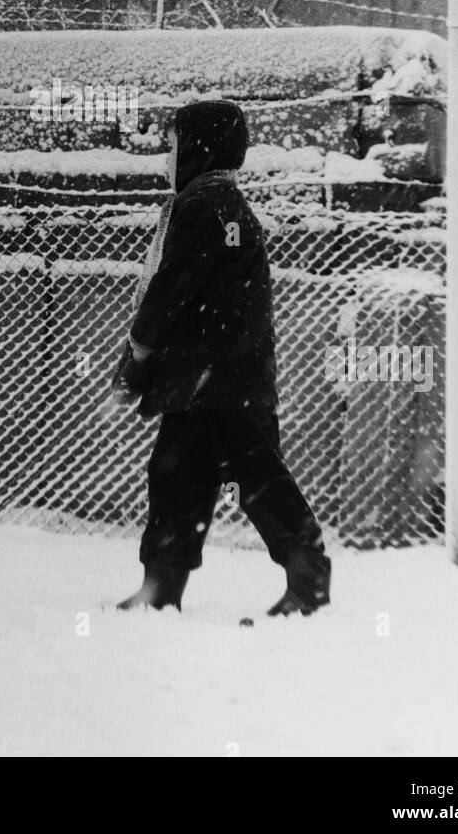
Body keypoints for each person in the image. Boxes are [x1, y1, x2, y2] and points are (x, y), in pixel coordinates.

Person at [111, 99, 331, 620]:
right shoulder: (215, 202)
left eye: (173, 145)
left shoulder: (207, 205)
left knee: (256, 479)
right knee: (177, 479)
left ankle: (309, 579)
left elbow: (170, 290)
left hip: (224, 383)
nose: (168, 157)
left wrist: (137, 357)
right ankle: (161, 587)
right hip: (208, 383)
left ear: (198, 147)